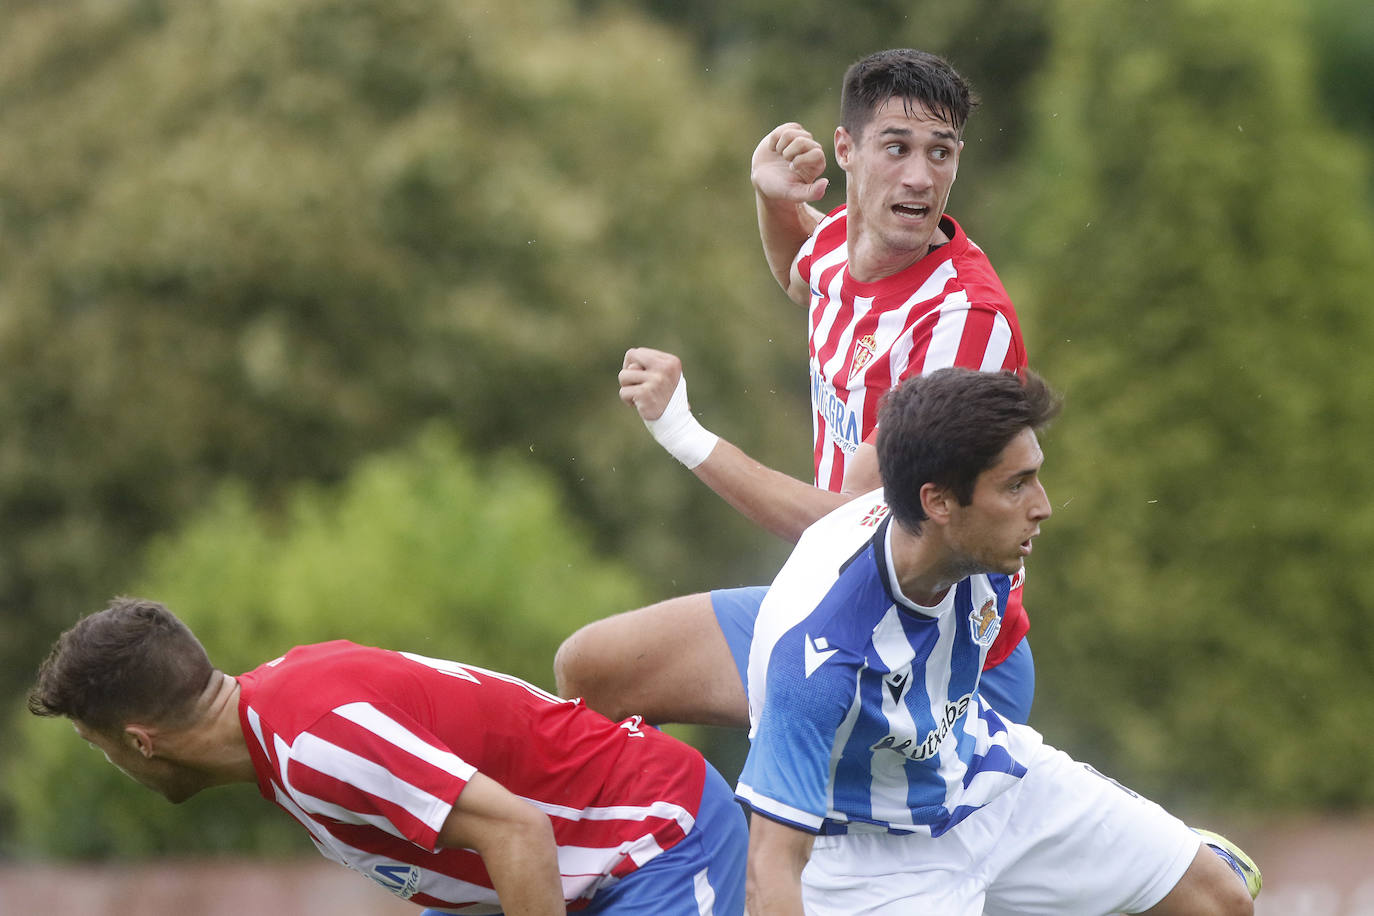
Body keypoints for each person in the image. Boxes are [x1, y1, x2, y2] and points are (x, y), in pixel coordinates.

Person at [556, 48, 1036, 728]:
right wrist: (771, 196)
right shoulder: (846, 241)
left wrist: (682, 433)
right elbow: (800, 272)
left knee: (799, 824)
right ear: (845, 147)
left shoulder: (963, 323)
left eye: (941, 153)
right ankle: (681, 831)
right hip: (836, 606)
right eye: (896, 148)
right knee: (593, 671)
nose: (920, 177)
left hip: (938, 656)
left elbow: (848, 528)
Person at [737, 367, 1260, 915]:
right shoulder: (818, 653)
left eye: (1035, 476)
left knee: (1219, 900)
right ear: (938, 503)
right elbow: (768, 870)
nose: (1043, 506)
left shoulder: (977, 544)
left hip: (989, 773)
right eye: (1015, 485)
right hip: (871, 859)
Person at [27, 599, 747, 916]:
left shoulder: (315, 743)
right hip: (583, 871)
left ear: (138, 740)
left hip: (657, 839)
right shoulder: (276, 725)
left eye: (99, 748)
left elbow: (516, 831)